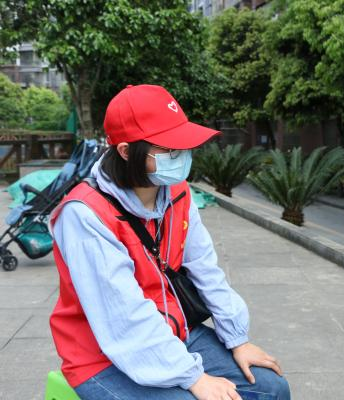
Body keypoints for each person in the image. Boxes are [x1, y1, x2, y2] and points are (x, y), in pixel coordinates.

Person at [49, 84, 291, 400]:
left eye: (184, 146)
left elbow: (206, 270)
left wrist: (238, 339)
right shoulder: (84, 215)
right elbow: (123, 316)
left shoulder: (177, 193)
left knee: (272, 388)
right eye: (169, 149)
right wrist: (193, 377)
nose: (181, 156)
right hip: (102, 356)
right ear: (126, 151)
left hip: (174, 331)